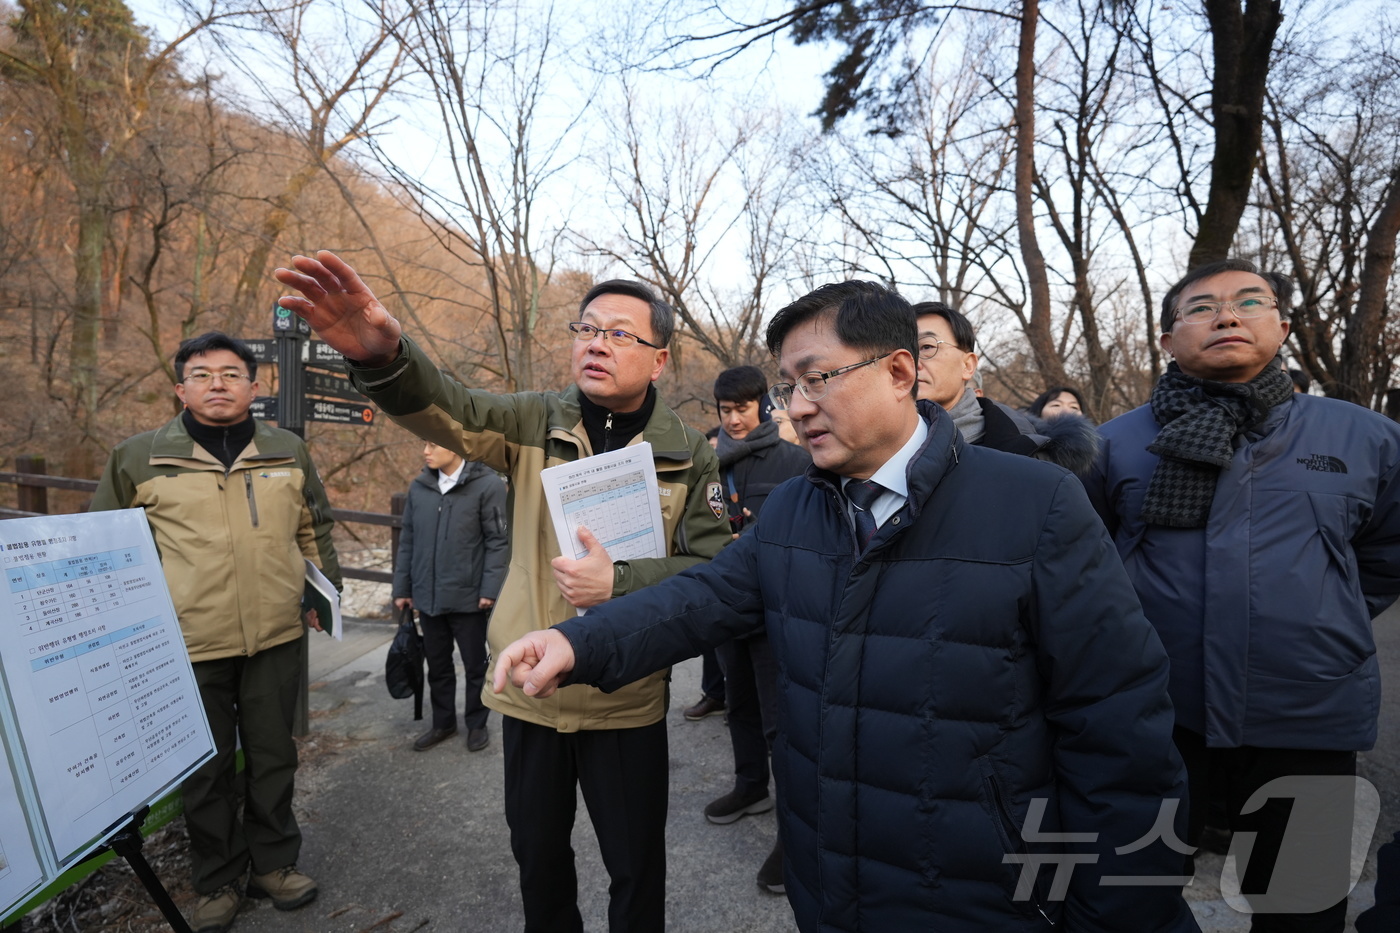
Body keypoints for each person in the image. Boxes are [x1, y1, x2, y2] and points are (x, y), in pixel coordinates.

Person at [492, 281, 1199, 932]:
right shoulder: (794, 507)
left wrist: (1114, 915)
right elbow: (705, 595)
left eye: (817, 378)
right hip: (831, 884)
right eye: (787, 385)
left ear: (899, 372)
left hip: (988, 895)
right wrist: (579, 643)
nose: (796, 407)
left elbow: (1119, 731)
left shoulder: (1036, 504)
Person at [274, 251, 730, 933]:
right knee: (538, 858)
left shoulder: (690, 453)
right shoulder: (533, 421)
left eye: (619, 333)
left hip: (625, 697)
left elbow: (713, 572)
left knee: (636, 866)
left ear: (659, 360)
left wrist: (621, 582)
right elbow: (451, 411)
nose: (596, 344)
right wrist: (386, 359)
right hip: (531, 688)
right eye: (587, 329)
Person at [1085, 258, 1400, 932]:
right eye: (1201, 307)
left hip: (1308, 711)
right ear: (1167, 340)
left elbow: (1386, 552)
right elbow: (1085, 566)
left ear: (1282, 327)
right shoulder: (1112, 445)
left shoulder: (1366, 438)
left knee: (1300, 905)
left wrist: (1331, 612)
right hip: (1155, 713)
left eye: (1250, 301)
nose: (1226, 315)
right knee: (1132, 898)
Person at [91, 332, 341, 933]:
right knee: (205, 770)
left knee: (274, 755)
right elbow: (107, 547)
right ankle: (218, 877)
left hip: (276, 634)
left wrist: (323, 593)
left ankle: (274, 864)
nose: (217, 384)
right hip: (185, 643)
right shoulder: (138, 457)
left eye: (231, 374)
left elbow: (314, 526)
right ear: (180, 389)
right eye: (201, 375)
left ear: (255, 387)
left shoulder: (286, 449)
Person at [707, 364, 811, 894]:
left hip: (777, 612)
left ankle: (796, 836)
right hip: (727, 610)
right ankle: (750, 787)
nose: (733, 420)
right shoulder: (707, 466)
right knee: (739, 707)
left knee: (780, 724)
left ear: (764, 407)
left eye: (742, 409)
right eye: (725, 411)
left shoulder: (797, 461)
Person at [392, 441, 509, 753]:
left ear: (455, 447)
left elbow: (498, 541)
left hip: (469, 597)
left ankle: (476, 724)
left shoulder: (487, 485)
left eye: (432, 444)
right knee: (438, 666)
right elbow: (408, 540)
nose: (425, 451)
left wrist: (489, 589)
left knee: (475, 666)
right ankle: (443, 723)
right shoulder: (419, 487)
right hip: (427, 595)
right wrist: (402, 588)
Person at [912, 301, 1098, 474]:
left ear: (968, 365)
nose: (910, 362)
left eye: (927, 347)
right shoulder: (895, 450)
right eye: (903, 350)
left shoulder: (1028, 455)